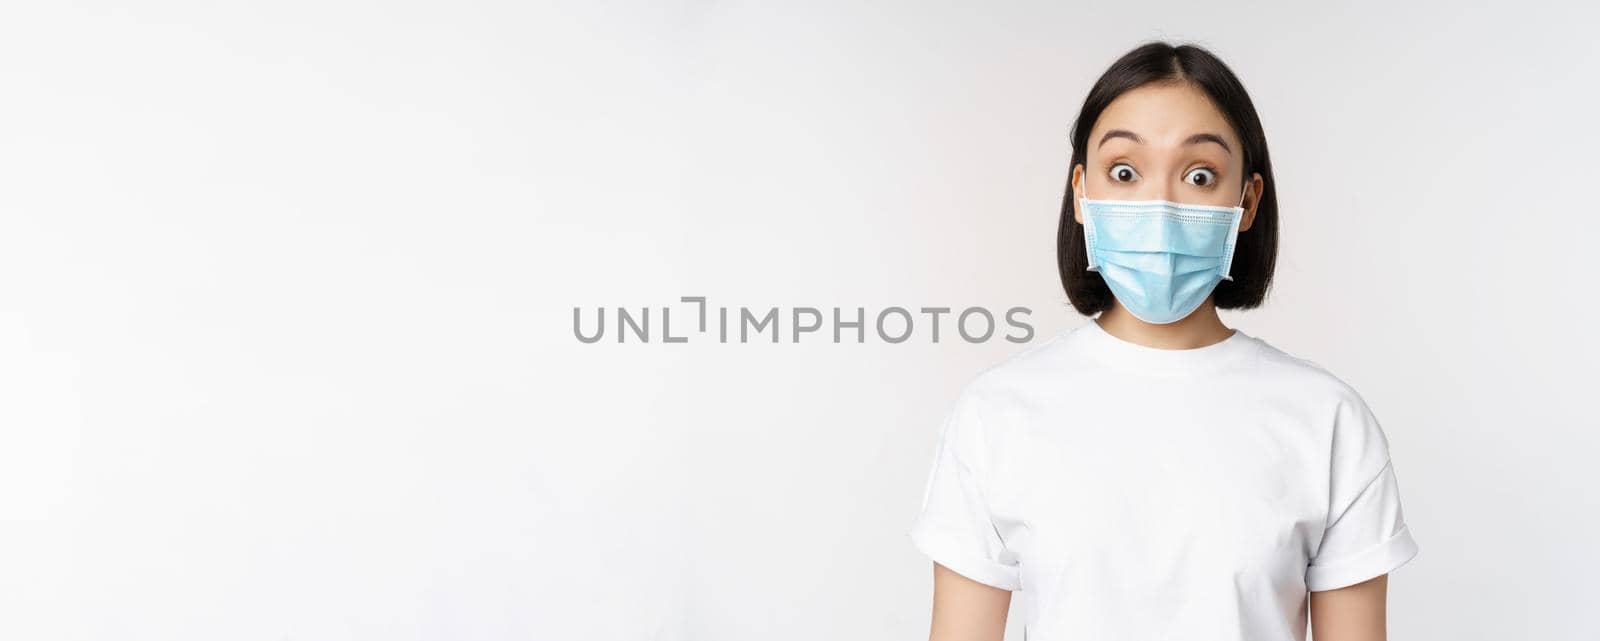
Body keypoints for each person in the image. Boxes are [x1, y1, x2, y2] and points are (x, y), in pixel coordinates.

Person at [907, 41, 1419, 641]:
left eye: (1200, 175)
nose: (1159, 204)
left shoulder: (1327, 421)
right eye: (1124, 172)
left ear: (1246, 201)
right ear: (1081, 193)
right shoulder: (997, 413)